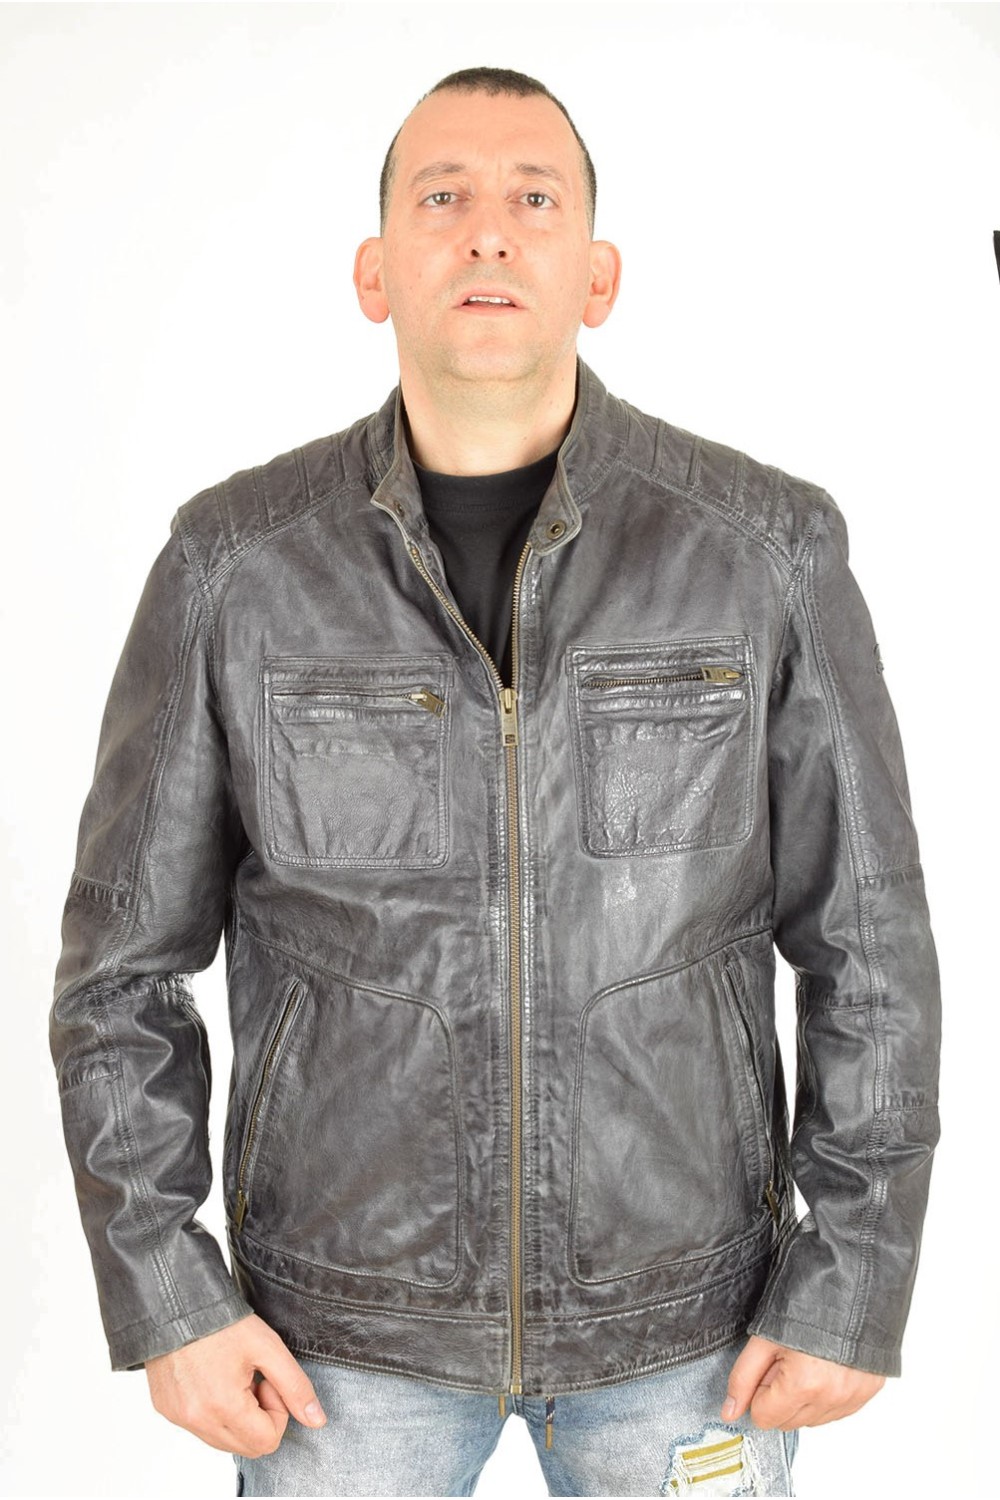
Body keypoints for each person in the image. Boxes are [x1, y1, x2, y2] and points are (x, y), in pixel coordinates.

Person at [49, 66, 941, 1498]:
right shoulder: (235, 566)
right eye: (442, 197)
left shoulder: (765, 550)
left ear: (597, 275)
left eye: (535, 199)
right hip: (338, 1343)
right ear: (373, 272)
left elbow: (870, 941)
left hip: (690, 1331)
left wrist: (854, 1276)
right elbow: (120, 971)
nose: (487, 231)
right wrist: (168, 1292)